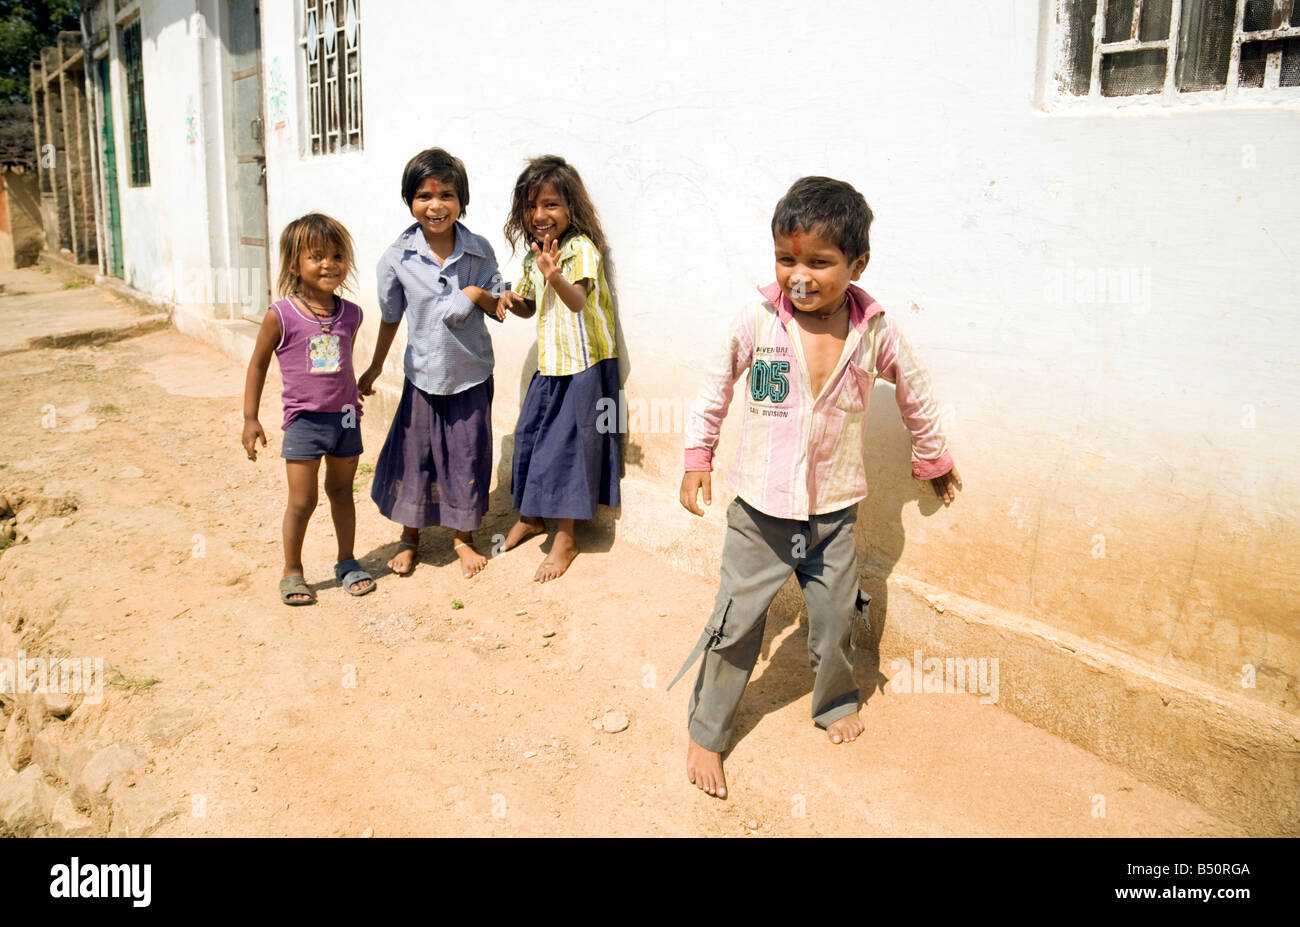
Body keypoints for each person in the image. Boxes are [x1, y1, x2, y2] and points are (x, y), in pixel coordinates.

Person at [675, 176, 962, 798]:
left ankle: (833, 702)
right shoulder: (758, 317)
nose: (799, 275)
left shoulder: (874, 329)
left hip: (832, 513)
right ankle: (707, 729)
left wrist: (932, 458)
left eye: (819, 262)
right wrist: (699, 451)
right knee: (737, 622)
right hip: (760, 510)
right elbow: (714, 385)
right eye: (786, 258)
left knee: (834, 618)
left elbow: (916, 392)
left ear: (857, 263)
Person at [359, 147, 510, 579]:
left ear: (462, 200)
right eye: (425, 195)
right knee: (416, 458)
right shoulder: (396, 259)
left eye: (447, 194)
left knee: (467, 455)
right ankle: (410, 537)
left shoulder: (479, 250)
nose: (436, 205)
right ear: (410, 200)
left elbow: (500, 298)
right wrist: (373, 367)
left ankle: (463, 536)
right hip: (423, 377)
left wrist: (492, 297)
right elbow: (390, 318)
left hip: (471, 375)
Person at [497, 155, 622, 582]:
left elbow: (577, 300)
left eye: (550, 205)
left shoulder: (581, 250)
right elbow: (531, 307)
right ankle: (532, 517)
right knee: (532, 438)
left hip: (585, 366)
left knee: (569, 451)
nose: (539, 216)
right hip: (552, 365)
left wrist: (554, 276)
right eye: (531, 207)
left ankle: (566, 537)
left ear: (571, 207)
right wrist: (511, 301)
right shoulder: (537, 255)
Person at [242, 213, 376, 606]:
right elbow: (258, 364)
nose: (328, 265)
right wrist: (250, 418)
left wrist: (356, 388)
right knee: (303, 501)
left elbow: (341, 364)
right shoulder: (280, 315)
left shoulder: (351, 314)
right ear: (294, 264)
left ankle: (348, 562)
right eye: (316, 256)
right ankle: (293, 571)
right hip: (304, 421)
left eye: (337, 256)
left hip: (346, 419)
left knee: (342, 493)